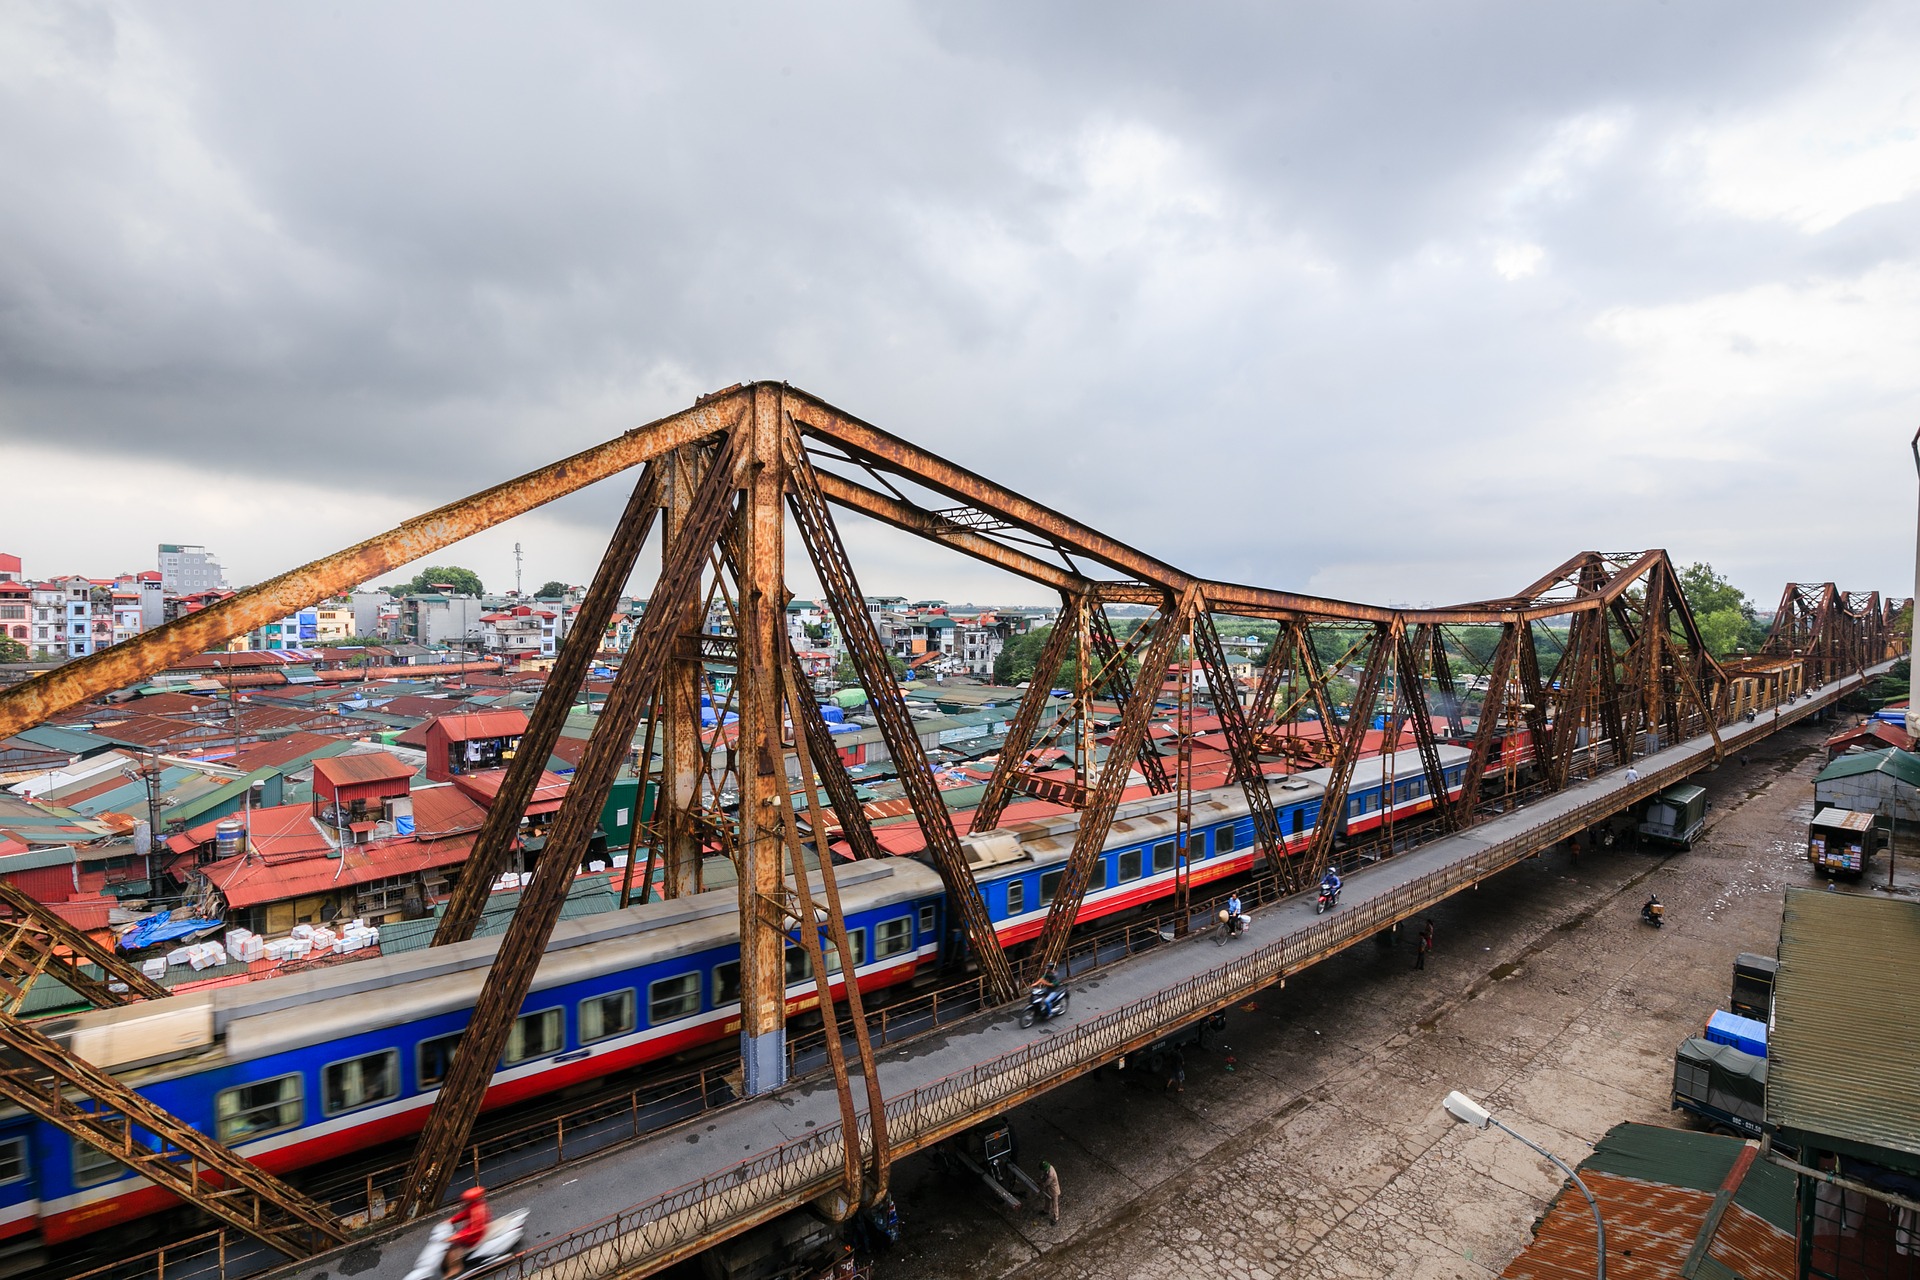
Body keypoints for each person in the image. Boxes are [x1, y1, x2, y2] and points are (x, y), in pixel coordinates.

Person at [445, 1186, 490, 1277]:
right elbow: (464, 1214)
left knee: (453, 1248)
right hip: (470, 1232)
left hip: (474, 1237)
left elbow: (475, 1230)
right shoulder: (475, 1205)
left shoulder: (477, 1210)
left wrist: (458, 1236)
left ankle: (456, 1268)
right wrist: (451, 1220)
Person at [1041, 1160, 1061, 1225]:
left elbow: (1046, 1183)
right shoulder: (1049, 1168)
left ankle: (1056, 1217)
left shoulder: (1051, 1175)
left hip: (1053, 1190)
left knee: (1054, 1204)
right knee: (1047, 1199)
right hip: (1049, 1189)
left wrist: (1041, 1185)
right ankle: (1046, 1210)